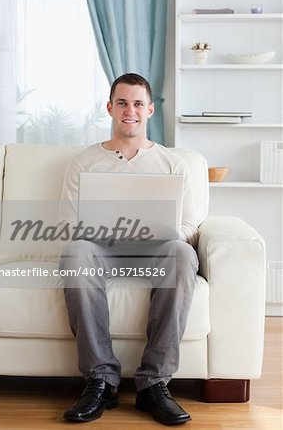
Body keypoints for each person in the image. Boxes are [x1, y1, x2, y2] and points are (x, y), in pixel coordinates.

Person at [58, 73, 199, 425]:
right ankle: (101, 380)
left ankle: (154, 384)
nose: (130, 110)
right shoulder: (84, 162)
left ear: (150, 109)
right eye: (122, 102)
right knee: (76, 252)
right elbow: (66, 225)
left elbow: (190, 227)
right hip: (102, 252)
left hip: (155, 253)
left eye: (138, 103)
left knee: (182, 254)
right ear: (110, 108)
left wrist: (162, 234)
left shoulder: (172, 164)